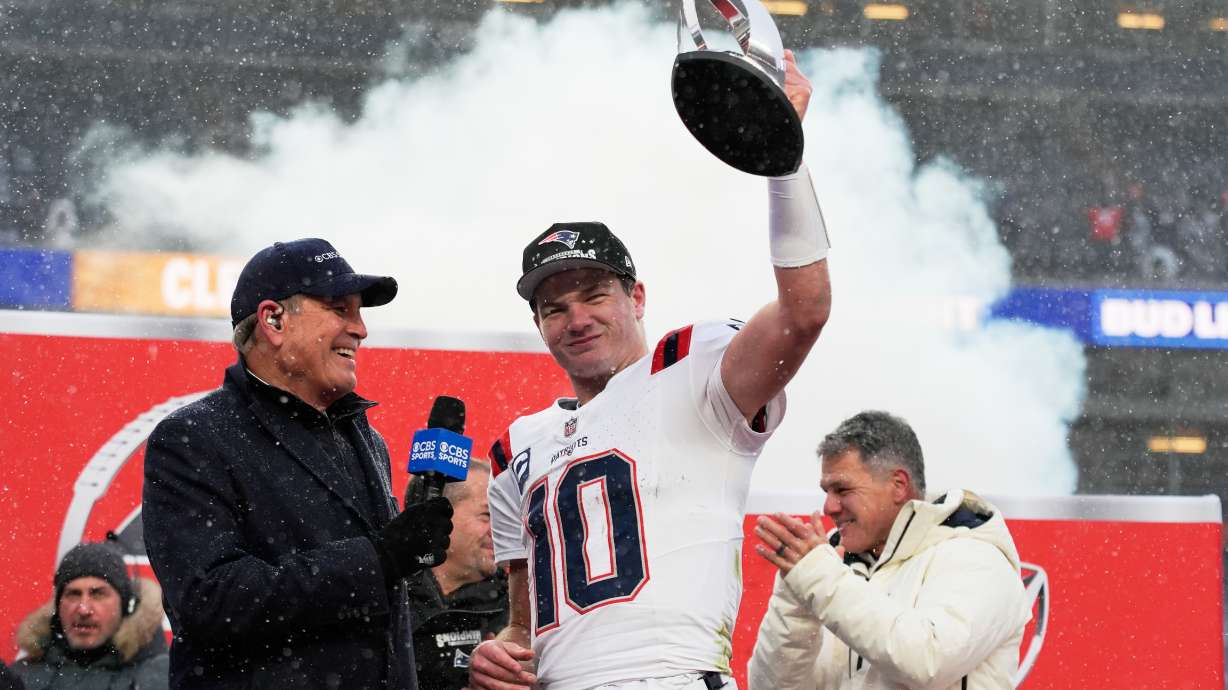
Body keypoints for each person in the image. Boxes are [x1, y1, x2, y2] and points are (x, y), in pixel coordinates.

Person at [469, 50, 831, 690]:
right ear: (539, 326)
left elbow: (805, 312)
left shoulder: (692, 369)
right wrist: (497, 655)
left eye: (595, 295)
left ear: (637, 298)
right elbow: (523, 630)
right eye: (555, 307)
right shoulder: (514, 450)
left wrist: (786, 159)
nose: (576, 318)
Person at [142, 238, 455, 690]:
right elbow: (209, 599)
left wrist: (453, 659)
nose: (361, 329)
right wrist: (377, 559)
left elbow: (388, 614)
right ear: (273, 320)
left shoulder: (368, 440)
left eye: (360, 312)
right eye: (340, 309)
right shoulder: (193, 439)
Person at [748, 411, 1030, 690]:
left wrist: (818, 577)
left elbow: (925, 661)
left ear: (898, 486)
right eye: (826, 492)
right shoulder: (834, 568)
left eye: (842, 489)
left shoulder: (979, 558)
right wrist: (795, 598)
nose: (829, 507)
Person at [406, 461, 509, 690]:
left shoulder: (522, 607)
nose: (499, 530)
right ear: (440, 517)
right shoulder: (387, 598)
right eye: (487, 515)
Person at [12, 540, 168, 690]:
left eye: (98, 594)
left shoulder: (163, 679)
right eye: (73, 594)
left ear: (126, 605)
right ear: (58, 607)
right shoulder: (18, 679)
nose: (83, 609)